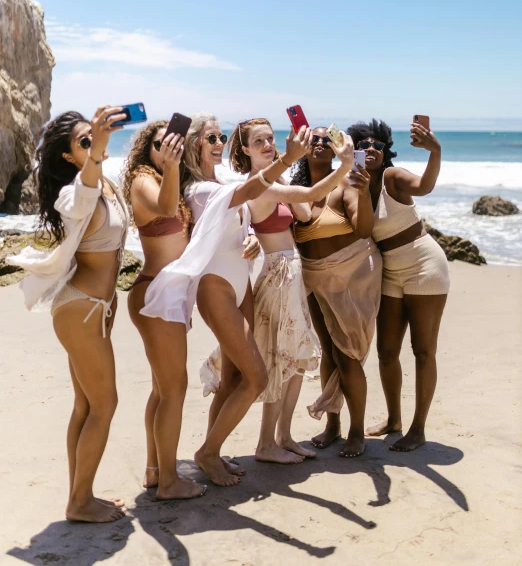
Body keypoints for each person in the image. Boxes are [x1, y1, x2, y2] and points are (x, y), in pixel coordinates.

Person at [142, 114, 310, 486]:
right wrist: (287, 160)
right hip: (216, 285)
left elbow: (240, 212)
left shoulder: (222, 179)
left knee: (234, 376)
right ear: (194, 145)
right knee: (256, 378)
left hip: (241, 282)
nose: (219, 143)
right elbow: (249, 192)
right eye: (210, 137)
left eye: (220, 136)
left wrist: (249, 234)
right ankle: (205, 452)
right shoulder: (198, 188)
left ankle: (211, 453)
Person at [7, 106, 129, 523]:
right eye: (84, 141)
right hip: (79, 309)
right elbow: (81, 199)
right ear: (68, 156)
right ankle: (79, 502)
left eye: (94, 136)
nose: (94, 144)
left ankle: (80, 494)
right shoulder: (75, 192)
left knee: (86, 405)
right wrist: (95, 155)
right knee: (105, 404)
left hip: (97, 308)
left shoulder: (106, 183)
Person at [225, 119, 354, 465]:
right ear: (245, 150)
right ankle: (266, 443)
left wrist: (282, 173)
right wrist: (345, 165)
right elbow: (311, 197)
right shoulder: (256, 185)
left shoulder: (275, 181)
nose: (268, 144)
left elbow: (305, 212)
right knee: (279, 359)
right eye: (259, 141)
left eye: (270, 138)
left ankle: (283, 436)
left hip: (292, 272)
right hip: (279, 272)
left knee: (295, 361)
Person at [348, 119, 450, 452]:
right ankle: (394, 420)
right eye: (363, 145)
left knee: (423, 350)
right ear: (355, 151)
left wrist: (435, 152)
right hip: (391, 271)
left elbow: (424, 186)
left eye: (377, 145)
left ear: (386, 151)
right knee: (386, 351)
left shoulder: (393, 178)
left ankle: (418, 429)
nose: (370, 149)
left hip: (424, 266)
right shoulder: (356, 186)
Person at [120, 121, 206, 499]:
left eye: (172, 143)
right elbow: (165, 207)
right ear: (147, 148)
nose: (166, 149)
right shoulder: (143, 179)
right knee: (174, 388)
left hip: (168, 295)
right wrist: (171, 165)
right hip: (155, 293)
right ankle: (170, 482)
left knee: (161, 389)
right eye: (159, 144)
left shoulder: (167, 177)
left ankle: (156, 471)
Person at [291, 127, 382, 458]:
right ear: (303, 148)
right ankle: (333, 425)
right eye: (312, 139)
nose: (318, 143)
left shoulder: (346, 183)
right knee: (329, 352)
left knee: (347, 354)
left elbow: (363, 229)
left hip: (353, 272)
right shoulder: (295, 190)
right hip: (313, 276)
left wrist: (365, 193)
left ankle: (357, 431)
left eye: (325, 140)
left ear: (336, 150)